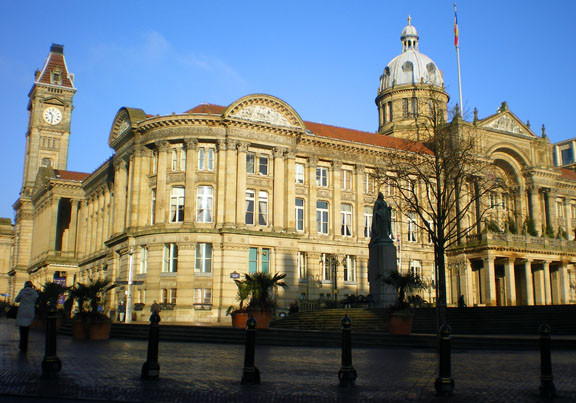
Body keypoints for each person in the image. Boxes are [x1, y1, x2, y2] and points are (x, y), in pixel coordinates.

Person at [15, 281, 38, 352]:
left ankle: (22, 345)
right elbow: (36, 299)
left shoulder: (22, 291)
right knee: (27, 330)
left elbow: (16, 300)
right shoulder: (34, 293)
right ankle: (25, 346)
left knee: (22, 329)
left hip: (22, 311)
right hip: (30, 311)